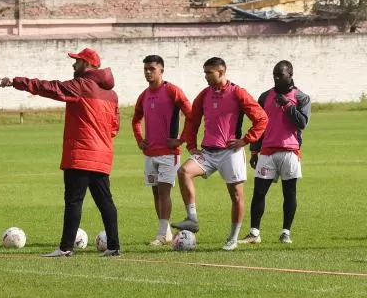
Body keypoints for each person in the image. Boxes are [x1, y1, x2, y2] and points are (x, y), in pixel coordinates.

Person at [0, 47, 122, 257]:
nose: (73, 65)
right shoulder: (112, 94)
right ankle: (114, 246)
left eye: (77, 61)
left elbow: (51, 88)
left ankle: (65, 248)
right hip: (102, 155)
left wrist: (16, 82)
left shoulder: (82, 85)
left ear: (87, 64)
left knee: (74, 201)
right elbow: (115, 127)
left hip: (81, 154)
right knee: (105, 201)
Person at [172, 57, 268, 251]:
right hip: (207, 152)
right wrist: (191, 146)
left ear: (222, 72)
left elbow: (261, 118)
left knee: (236, 196)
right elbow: (192, 120)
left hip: (230, 153)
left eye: (209, 72)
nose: (206, 76)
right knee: (184, 172)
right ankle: (192, 219)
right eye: (205, 72)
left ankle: (232, 238)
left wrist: (245, 140)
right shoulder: (204, 94)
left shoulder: (238, 93)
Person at [239, 60, 312, 246]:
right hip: (267, 152)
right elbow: (258, 124)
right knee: (259, 192)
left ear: (290, 75)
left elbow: (302, 123)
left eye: (280, 75)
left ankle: (285, 232)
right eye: (274, 75)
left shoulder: (302, 97)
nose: (276, 78)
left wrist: (287, 106)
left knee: (289, 193)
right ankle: (254, 233)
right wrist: (254, 150)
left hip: (290, 152)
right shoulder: (265, 97)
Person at [131, 54, 192, 246]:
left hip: (168, 153)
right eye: (146, 69)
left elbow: (191, 115)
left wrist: (181, 139)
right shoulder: (144, 95)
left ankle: (160, 234)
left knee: (164, 192)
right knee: (156, 193)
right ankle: (164, 232)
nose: (148, 72)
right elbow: (135, 120)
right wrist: (140, 139)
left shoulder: (172, 91)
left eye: (152, 69)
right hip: (150, 154)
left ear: (161, 70)